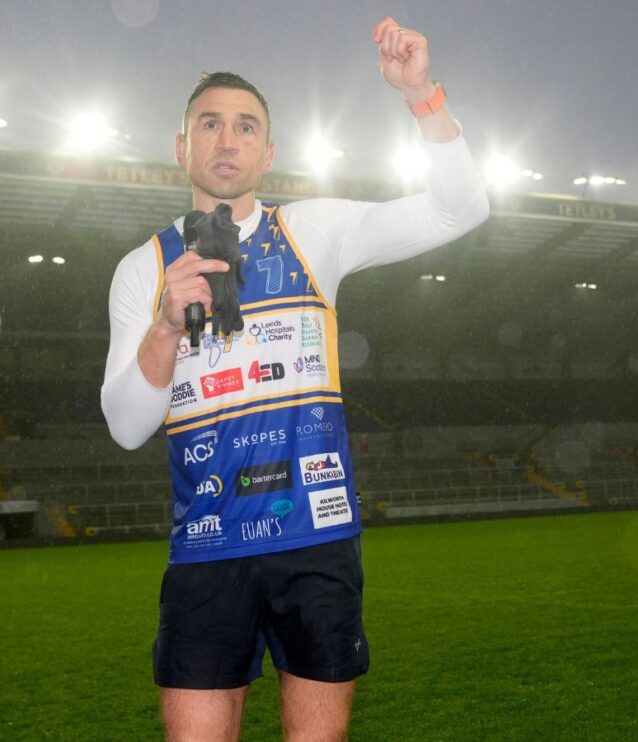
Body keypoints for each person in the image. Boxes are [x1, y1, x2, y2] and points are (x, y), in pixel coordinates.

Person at [101, 15, 489, 741]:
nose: (227, 139)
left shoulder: (317, 231)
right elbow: (126, 427)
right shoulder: (142, 268)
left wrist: (421, 96)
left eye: (246, 127)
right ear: (182, 147)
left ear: (268, 151)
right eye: (210, 125)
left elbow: (462, 208)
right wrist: (163, 328)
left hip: (315, 539)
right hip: (207, 546)